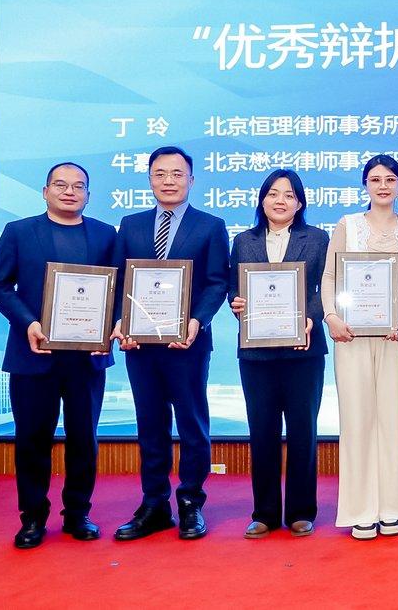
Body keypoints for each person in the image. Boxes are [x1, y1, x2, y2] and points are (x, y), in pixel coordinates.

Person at [0, 161, 118, 549]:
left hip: (87, 357)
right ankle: (32, 517)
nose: (69, 191)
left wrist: (109, 328)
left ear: (88, 195)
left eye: (79, 186)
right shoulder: (19, 232)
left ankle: (78, 513)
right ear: (45, 192)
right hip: (34, 354)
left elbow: (119, 288)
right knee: (32, 439)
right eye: (60, 185)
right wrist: (28, 323)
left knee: (84, 438)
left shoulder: (105, 234)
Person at [112, 145, 230, 541]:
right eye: (160, 174)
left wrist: (197, 321)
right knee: (150, 425)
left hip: (188, 343)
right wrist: (120, 323)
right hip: (140, 346)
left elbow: (217, 282)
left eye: (177, 174)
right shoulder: (130, 225)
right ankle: (154, 505)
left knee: (193, 424)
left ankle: (191, 502)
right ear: (149, 180)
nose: (168, 181)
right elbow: (119, 281)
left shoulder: (210, 226)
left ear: (191, 180)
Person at [321, 154, 398, 540]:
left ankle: (393, 508)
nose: (383, 186)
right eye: (376, 179)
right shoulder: (348, 225)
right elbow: (329, 275)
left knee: (394, 421)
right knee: (357, 420)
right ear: (365, 184)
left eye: (390, 179)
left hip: (396, 339)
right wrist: (331, 316)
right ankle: (360, 510)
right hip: (351, 337)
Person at [227, 169, 329, 539]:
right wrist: (236, 302)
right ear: (262, 199)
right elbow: (233, 287)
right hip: (257, 354)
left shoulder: (316, 238)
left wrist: (310, 318)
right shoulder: (244, 240)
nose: (280, 200)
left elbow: (327, 287)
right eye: (273, 193)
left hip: (304, 350)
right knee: (262, 431)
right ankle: (265, 513)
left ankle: (301, 511)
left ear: (299, 203)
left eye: (288, 195)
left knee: (303, 431)